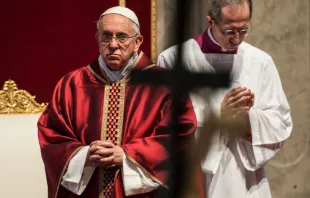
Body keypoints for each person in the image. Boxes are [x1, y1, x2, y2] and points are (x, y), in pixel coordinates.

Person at [38, 6, 197, 198]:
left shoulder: (164, 85)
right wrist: (84, 155)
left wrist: (127, 156)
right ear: (98, 40)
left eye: (121, 37)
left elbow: (180, 137)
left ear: (137, 42)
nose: (113, 44)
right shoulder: (72, 84)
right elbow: (52, 137)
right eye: (106, 36)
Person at [157, 0, 293, 197]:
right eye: (230, 31)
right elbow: (164, 125)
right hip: (195, 176)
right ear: (210, 22)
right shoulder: (174, 60)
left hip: (246, 180)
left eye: (244, 30)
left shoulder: (261, 61)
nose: (237, 39)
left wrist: (248, 121)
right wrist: (219, 115)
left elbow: (281, 121)